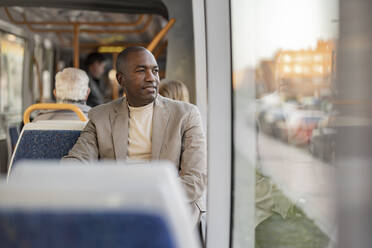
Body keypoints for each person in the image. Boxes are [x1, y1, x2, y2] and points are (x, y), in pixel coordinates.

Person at [63, 47, 207, 226]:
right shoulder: (100, 116)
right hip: (118, 204)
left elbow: (196, 180)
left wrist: (145, 195)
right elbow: (76, 161)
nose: (152, 78)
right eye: (141, 71)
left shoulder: (186, 115)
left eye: (155, 71)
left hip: (169, 204)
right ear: (121, 79)